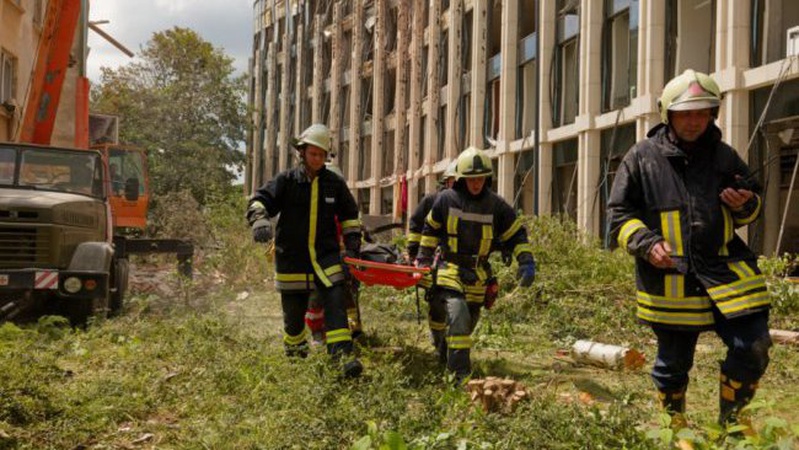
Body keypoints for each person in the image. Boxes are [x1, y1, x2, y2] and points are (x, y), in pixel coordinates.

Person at [607, 69, 771, 431]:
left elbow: (752, 205)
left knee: (754, 345)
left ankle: (732, 424)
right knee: (673, 365)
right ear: (668, 114)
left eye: (702, 112)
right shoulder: (641, 158)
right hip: (672, 280)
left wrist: (744, 204)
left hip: (727, 274)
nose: (695, 121)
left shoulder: (725, 157)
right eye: (686, 113)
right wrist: (647, 245)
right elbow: (619, 216)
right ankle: (675, 426)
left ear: (713, 113)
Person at [246, 124, 364, 378]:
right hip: (293, 260)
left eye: (322, 155)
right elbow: (259, 200)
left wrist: (352, 246)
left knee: (335, 300)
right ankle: (297, 362)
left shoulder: (334, 183)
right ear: (302, 152)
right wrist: (259, 220)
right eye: (313, 154)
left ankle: (342, 358)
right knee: (294, 320)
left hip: (326, 257)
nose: (318, 160)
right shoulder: (286, 181)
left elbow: (350, 215)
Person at [416, 146, 536, 382]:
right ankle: (459, 376)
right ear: (461, 179)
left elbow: (516, 235)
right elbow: (430, 229)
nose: (476, 184)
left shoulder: (497, 206)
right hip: (449, 269)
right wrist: (422, 259)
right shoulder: (445, 200)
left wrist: (526, 261)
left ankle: (444, 354)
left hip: (479, 273)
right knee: (458, 315)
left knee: (467, 323)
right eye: (471, 179)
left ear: (487, 178)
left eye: (480, 178)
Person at [407, 160, 457, 363]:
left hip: (458, 264)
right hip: (432, 261)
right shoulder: (432, 201)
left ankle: (449, 344)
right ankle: (438, 340)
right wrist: (413, 253)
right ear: (447, 181)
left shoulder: (470, 204)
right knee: (436, 301)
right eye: (455, 181)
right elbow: (416, 226)